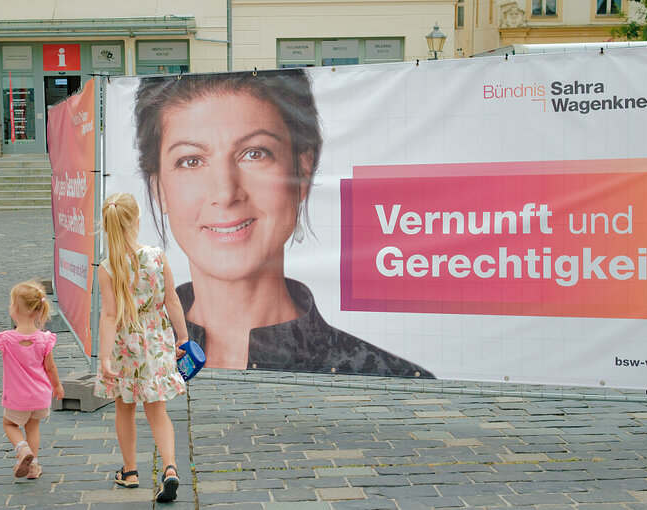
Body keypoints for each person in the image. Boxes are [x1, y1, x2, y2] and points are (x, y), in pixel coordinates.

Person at [133, 69, 432, 378]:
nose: (225, 194)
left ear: (302, 172)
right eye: (191, 160)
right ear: (158, 188)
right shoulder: (136, 358)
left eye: (254, 153)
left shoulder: (389, 376)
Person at [91, 192, 188, 503]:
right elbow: (171, 299)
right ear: (136, 221)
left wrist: (105, 357)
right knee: (157, 410)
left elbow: (108, 314)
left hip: (124, 342)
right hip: (156, 339)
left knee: (125, 406)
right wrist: (182, 336)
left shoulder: (107, 267)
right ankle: (170, 467)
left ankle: (130, 471)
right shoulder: (156, 256)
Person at [0, 280, 65, 480]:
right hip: (40, 397)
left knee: (10, 425)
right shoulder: (44, 339)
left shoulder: (6, 339)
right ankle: (33, 467)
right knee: (33, 427)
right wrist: (57, 385)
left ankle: (22, 449)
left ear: (15, 310)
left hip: (18, 398)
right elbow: (50, 367)